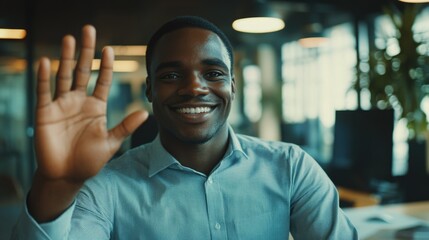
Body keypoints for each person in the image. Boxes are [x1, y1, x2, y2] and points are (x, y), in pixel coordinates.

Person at [11, 16, 358, 239]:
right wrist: (54, 186)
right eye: (172, 75)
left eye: (214, 73)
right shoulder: (106, 188)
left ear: (233, 86)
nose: (195, 87)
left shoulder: (290, 167)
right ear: (149, 89)